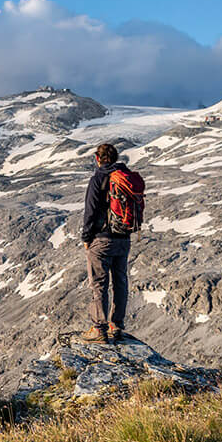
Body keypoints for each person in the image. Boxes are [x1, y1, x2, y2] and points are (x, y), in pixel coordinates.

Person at [80, 143, 131, 343]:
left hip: (102, 239)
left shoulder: (98, 178)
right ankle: (116, 326)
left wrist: (86, 238)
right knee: (120, 281)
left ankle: (99, 329)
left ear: (97, 158)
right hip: (123, 238)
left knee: (99, 283)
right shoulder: (125, 177)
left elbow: (90, 211)